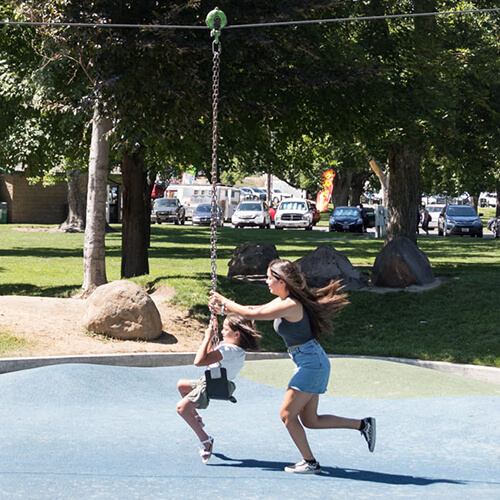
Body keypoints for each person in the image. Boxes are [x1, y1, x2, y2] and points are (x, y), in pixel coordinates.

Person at [209, 259, 376, 475]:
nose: (266, 281)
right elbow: (252, 309)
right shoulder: (284, 300)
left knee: (287, 414)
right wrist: (223, 308)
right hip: (308, 362)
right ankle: (363, 425)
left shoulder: (291, 305)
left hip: (311, 364)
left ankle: (310, 462)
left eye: (269, 277)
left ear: (281, 280)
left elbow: (252, 315)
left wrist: (223, 299)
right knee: (310, 420)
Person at [176, 313, 261, 463]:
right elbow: (210, 354)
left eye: (225, 329)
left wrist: (207, 336)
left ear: (236, 334)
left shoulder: (230, 351)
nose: (222, 332)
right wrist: (214, 329)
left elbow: (199, 361)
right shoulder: (233, 349)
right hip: (212, 380)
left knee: (181, 408)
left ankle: (206, 440)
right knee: (182, 386)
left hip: (216, 384)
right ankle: (196, 417)